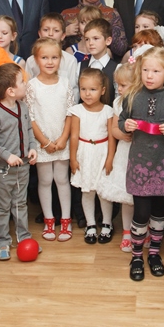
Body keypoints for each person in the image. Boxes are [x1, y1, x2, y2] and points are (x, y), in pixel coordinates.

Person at [119, 45, 164, 281]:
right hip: (139, 165)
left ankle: (154, 254)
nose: (149, 75)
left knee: (159, 212)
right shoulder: (132, 96)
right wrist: (126, 125)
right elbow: (121, 120)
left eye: (156, 71)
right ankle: (137, 256)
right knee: (141, 213)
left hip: (163, 166)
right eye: (146, 70)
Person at [0, 63, 40, 261]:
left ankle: (23, 237)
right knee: (2, 206)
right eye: (22, 82)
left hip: (23, 166)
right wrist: (7, 155)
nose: (25, 84)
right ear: (10, 91)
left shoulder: (22, 106)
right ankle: (1, 241)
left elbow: (28, 130)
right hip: (2, 169)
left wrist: (32, 147)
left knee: (20, 203)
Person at [28, 37, 74, 242]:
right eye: (44, 57)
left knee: (62, 179)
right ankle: (49, 219)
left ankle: (66, 220)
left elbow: (70, 113)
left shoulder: (65, 83)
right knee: (45, 180)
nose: (49, 62)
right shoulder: (31, 86)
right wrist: (45, 142)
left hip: (62, 141)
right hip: (42, 142)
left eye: (54, 57)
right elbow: (30, 117)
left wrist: (63, 138)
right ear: (36, 59)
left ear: (60, 59)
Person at [68, 68, 117, 245]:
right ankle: (90, 224)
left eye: (92, 89)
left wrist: (110, 158)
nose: (87, 94)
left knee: (103, 192)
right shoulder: (77, 110)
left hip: (102, 153)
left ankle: (107, 223)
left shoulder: (108, 111)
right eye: (83, 89)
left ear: (102, 90)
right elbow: (74, 136)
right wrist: (73, 159)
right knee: (87, 191)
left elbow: (111, 137)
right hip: (85, 153)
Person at [105, 61, 137, 252]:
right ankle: (127, 231)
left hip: (141, 152)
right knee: (127, 197)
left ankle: (144, 230)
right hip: (125, 153)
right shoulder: (118, 103)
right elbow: (114, 129)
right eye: (117, 85)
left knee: (143, 198)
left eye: (123, 85)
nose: (119, 89)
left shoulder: (143, 101)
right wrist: (123, 135)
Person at [61, 0, 127, 59]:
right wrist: (65, 32)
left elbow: (121, 49)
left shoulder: (112, 13)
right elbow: (52, 47)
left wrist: (105, 29)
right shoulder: (66, 14)